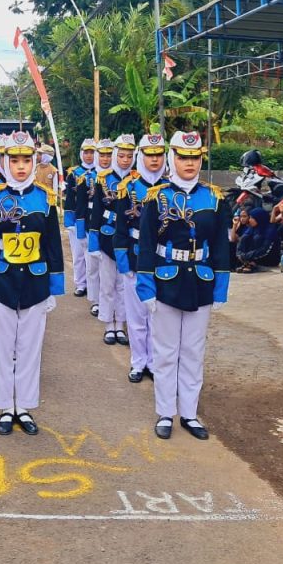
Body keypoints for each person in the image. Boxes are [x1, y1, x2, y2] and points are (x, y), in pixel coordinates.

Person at [136, 132, 230, 441]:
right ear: (172, 159)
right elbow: (147, 245)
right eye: (182, 157)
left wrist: (220, 287)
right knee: (165, 352)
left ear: (201, 159)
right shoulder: (156, 197)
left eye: (194, 158)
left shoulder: (214, 198)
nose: (188, 163)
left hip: (200, 282)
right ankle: (165, 412)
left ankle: (189, 412)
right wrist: (146, 286)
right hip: (166, 280)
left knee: (193, 351)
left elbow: (219, 246)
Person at [0, 131, 63, 436]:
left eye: (26, 160)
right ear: (4, 162)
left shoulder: (44, 198)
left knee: (29, 348)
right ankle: (4, 406)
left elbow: (53, 246)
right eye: (15, 160)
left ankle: (23, 407)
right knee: (2, 348)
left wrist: (54, 287)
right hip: (1, 280)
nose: (21, 166)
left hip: (36, 282)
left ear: (35, 161)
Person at [114, 132, 167, 381]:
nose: (154, 160)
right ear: (140, 156)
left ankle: (156, 363)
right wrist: (123, 261)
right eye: (149, 155)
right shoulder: (129, 187)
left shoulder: (171, 188)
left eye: (158, 155)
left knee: (158, 317)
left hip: (163, 260)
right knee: (136, 316)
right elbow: (120, 227)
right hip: (135, 256)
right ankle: (138, 362)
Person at [90, 134, 135, 345]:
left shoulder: (136, 181)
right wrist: (94, 241)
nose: (125, 160)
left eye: (129, 156)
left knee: (124, 284)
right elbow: (97, 211)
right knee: (107, 283)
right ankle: (109, 324)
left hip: (128, 239)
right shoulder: (104, 179)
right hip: (108, 235)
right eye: (122, 156)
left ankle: (121, 324)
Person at [77, 139, 112, 316]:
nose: (105, 159)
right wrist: (80, 229)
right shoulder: (87, 177)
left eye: (108, 155)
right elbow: (81, 205)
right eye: (102, 155)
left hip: (112, 227)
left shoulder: (119, 179)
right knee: (93, 265)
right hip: (92, 224)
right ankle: (96, 300)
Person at [63, 139, 96, 298]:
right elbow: (70, 197)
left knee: (93, 256)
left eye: (92, 152)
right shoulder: (74, 173)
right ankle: (80, 284)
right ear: (81, 154)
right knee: (78, 254)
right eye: (86, 152)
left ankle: (93, 285)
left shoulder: (102, 173)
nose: (89, 156)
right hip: (78, 218)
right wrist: (69, 221)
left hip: (94, 219)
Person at [234, 208, 281, 272]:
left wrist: (247, 256)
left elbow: (265, 250)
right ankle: (249, 263)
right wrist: (240, 254)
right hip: (253, 256)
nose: (250, 220)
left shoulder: (270, 231)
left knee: (257, 238)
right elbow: (242, 241)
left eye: (252, 218)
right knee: (246, 238)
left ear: (259, 218)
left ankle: (252, 264)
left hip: (269, 258)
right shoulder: (252, 228)